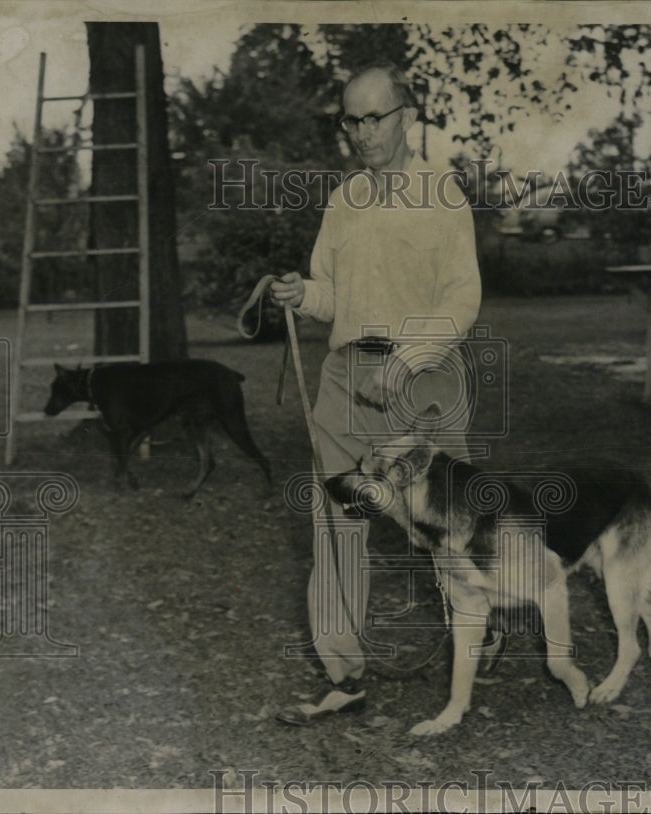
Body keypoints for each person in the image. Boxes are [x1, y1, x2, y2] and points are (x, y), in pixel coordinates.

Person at [272, 63, 488, 725]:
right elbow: (333, 292)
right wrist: (301, 296)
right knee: (336, 524)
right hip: (344, 378)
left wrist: (407, 357)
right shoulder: (343, 200)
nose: (363, 132)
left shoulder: (441, 191)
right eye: (351, 119)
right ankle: (345, 673)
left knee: (441, 528)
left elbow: (463, 299)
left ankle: (482, 634)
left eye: (375, 117)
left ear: (405, 115)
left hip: (418, 380)